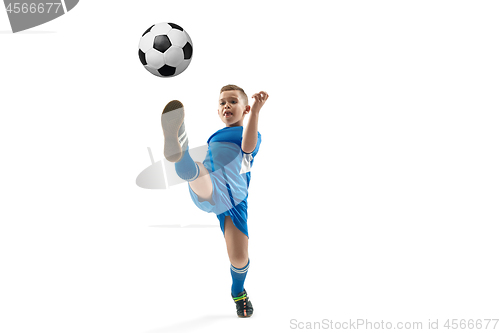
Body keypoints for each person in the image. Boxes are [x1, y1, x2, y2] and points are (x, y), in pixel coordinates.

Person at [161, 84, 269, 318]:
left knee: (239, 258)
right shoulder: (216, 137)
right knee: (198, 172)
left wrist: (256, 113)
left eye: (232, 102)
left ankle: (238, 291)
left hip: (234, 199)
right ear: (218, 111)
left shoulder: (252, 134)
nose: (226, 106)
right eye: (222, 103)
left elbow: (248, 147)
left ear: (245, 108)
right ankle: (181, 148)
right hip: (210, 184)